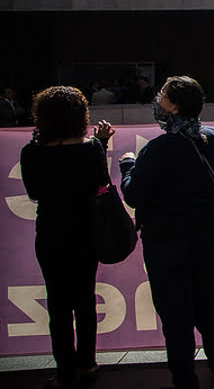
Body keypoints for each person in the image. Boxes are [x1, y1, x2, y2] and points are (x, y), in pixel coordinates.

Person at [119, 76, 214, 389]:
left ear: (173, 107)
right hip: (207, 237)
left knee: (175, 314)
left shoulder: (158, 149)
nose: (157, 99)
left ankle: (185, 377)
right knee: (206, 301)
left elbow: (133, 195)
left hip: (166, 244)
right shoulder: (212, 137)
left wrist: (127, 167)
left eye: (162, 95)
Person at [20, 87, 115, 388]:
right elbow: (101, 184)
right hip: (86, 230)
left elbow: (34, 193)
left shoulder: (31, 152)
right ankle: (87, 363)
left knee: (58, 305)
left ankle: (65, 373)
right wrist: (101, 143)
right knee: (85, 299)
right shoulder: (90, 149)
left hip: (50, 231)